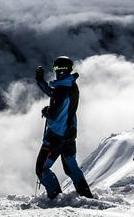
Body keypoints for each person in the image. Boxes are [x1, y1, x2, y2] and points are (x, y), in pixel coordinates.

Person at [33, 56, 94, 199]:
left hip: (55, 135)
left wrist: (46, 111)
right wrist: (40, 82)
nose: (56, 71)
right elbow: (55, 95)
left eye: (56, 68)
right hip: (70, 133)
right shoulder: (71, 85)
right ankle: (85, 194)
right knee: (71, 166)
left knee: (41, 168)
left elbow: (53, 113)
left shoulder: (61, 89)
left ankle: (55, 198)